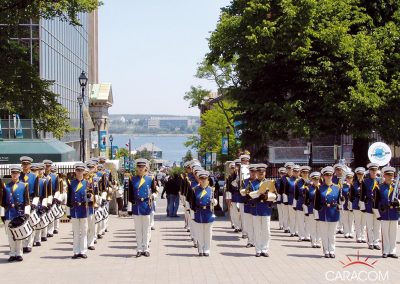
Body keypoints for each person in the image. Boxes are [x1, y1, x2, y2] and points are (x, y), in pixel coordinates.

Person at [128, 158, 157, 257]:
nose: (140, 168)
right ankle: (139, 249)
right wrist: (130, 208)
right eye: (139, 167)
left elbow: (154, 190)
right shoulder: (132, 179)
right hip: (136, 205)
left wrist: (153, 196)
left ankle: (146, 248)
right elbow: (130, 195)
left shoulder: (150, 179)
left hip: (146, 205)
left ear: (145, 168)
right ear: (136, 168)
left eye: (142, 167)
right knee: (138, 229)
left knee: (146, 228)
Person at [0, 165, 30, 262]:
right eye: (13, 173)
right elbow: (3, 202)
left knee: (19, 235)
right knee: (10, 235)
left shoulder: (24, 185)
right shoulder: (6, 186)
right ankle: (12, 253)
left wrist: (26, 214)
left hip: (19, 213)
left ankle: (19, 253)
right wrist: (2, 215)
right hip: (9, 213)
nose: (14, 175)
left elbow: (27, 201)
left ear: (19, 174)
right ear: (11, 174)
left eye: (16, 173)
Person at [314, 166, 341, 258]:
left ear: (332, 176)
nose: (328, 177)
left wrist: (341, 204)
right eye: (326, 175)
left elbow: (340, 201)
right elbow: (316, 203)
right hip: (323, 213)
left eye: (330, 175)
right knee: (324, 234)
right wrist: (316, 216)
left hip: (334, 213)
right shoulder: (319, 188)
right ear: (323, 176)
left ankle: (332, 250)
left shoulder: (337, 188)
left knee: (332, 234)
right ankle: (326, 251)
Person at [374, 166, 399, 258]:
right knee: (385, 233)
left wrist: (398, 202)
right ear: (384, 175)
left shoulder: (397, 187)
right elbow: (375, 203)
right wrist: (378, 215)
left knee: (393, 233)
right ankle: (385, 251)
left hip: (394, 213)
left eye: (391, 175)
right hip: (384, 213)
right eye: (388, 175)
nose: (390, 176)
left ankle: (392, 251)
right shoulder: (379, 187)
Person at [191, 170, 217, 256]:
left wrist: (214, 201)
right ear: (199, 179)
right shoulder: (195, 190)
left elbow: (216, 201)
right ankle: (200, 249)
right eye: (201, 179)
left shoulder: (211, 190)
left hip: (208, 212)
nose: (203, 180)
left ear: (207, 179)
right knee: (200, 232)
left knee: (208, 232)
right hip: (199, 212)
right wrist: (193, 214)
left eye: (205, 179)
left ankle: (207, 250)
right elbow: (192, 203)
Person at [252, 163, 276, 257]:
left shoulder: (270, 183)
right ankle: (258, 250)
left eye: (262, 172)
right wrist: (258, 196)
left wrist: (267, 196)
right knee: (257, 230)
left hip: (266, 208)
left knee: (266, 230)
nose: (261, 173)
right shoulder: (252, 183)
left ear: (265, 173)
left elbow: (275, 196)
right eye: (259, 172)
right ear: (257, 173)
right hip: (256, 208)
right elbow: (248, 196)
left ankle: (265, 249)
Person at [67, 163, 89, 259]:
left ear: (84, 172)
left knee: (84, 231)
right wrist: (68, 212)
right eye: (78, 170)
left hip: (84, 209)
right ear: (75, 171)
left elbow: (92, 197)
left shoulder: (87, 183)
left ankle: (83, 250)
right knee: (75, 232)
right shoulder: (71, 183)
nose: (79, 172)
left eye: (81, 170)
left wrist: (90, 197)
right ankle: (76, 251)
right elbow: (68, 198)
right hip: (75, 209)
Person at [360, 162, 381, 250]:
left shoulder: (380, 181)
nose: (374, 172)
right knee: (369, 225)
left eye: (375, 170)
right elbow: (362, 194)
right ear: (369, 171)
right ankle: (370, 242)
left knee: (377, 225)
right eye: (372, 170)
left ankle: (376, 242)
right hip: (369, 204)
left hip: (378, 206)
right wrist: (362, 206)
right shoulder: (365, 181)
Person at [241, 164, 258, 248]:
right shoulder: (245, 181)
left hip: (257, 205)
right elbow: (241, 193)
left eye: (255, 172)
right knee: (249, 224)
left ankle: (256, 241)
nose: (253, 173)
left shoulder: (260, 182)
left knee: (256, 224)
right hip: (248, 205)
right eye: (252, 172)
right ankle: (250, 241)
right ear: (249, 172)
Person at [293, 165, 311, 241]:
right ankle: (301, 236)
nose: (305, 174)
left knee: (308, 220)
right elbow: (295, 194)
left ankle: (307, 235)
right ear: (301, 173)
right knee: (300, 220)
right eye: (303, 172)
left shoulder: (311, 182)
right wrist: (294, 205)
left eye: (306, 172)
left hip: (308, 203)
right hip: (300, 202)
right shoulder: (298, 182)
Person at [304, 172, 321, 248]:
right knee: (313, 226)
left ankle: (318, 241)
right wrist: (306, 211)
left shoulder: (322, 188)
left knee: (319, 226)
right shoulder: (308, 188)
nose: (316, 180)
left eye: (317, 179)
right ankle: (313, 241)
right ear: (311, 179)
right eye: (314, 179)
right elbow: (305, 200)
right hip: (311, 209)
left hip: (320, 210)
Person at [350, 167, 367, 243]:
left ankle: (363, 236)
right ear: (356, 175)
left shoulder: (366, 183)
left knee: (363, 222)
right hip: (356, 204)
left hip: (364, 204)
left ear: (364, 174)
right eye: (358, 174)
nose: (360, 175)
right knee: (357, 221)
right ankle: (358, 237)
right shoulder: (354, 184)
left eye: (361, 174)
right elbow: (351, 196)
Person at [283, 163, 299, 237]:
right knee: (292, 216)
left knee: (298, 217)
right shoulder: (289, 180)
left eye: (297, 171)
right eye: (295, 171)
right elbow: (285, 191)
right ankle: (292, 231)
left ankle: (297, 231)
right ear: (293, 171)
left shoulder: (301, 180)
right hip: (291, 200)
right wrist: (286, 201)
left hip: (299, 201)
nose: (296, 172)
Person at [341, 171, 354, 239]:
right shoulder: (343, 186)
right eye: (348, 178)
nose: (349, 179)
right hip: (345, 204)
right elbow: (341, 195)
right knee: (345, 220)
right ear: (346, 178)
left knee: (351, 220)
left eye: (350, 178)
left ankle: (351, 232)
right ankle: (346, 232)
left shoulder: (353, 186)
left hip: (352, 205)